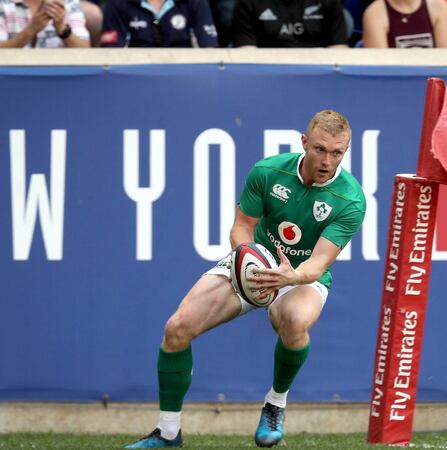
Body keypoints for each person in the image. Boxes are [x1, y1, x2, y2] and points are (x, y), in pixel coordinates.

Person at [124, 110, 366, 449]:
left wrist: (289, 277)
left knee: (295, 321)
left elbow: (318, 264)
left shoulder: (350, 199)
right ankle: (167, 432)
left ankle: (275, 404)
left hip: (300, 276)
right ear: (304, 143)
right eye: (320, 149)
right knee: (177, 328)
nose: (327, 160)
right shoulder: (268, 171)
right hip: (256, 260)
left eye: (337, 152)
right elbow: (241, 227)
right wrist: (247, 260)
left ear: (346, 150)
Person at [231, 0, 348, 48]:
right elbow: (246, 57)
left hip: (318, 76)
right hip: (268, 76)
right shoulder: (247, 3)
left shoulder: (329, 2)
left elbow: (338, 52)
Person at [99, 0, 218, 47]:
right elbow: (110, 57)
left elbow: (209, 50)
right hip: (135, 79)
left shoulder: (195, 2)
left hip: (185, 77)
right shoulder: (116, 4)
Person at [362, 0, 447, 48]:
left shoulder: (439, 7)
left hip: (430, 79)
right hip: (396, 80)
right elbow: (380, 68)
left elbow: (446, 63)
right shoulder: (375, 13)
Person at [0, 0, 90, 48]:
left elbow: (85, 52)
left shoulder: (69, 2)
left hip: (56, 76)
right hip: (13, 77)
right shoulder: (3, 3)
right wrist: (30, 30)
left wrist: (62, 29)